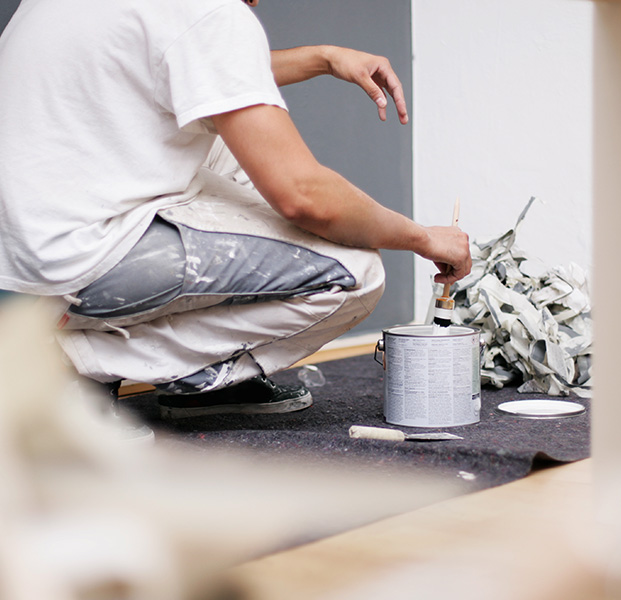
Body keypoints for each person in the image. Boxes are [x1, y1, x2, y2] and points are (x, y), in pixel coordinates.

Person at [0, 0, 470, 419]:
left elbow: (192, 59)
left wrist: (323, 58)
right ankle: (72, 366)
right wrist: (422, 238)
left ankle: (188, 384)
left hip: (19, 255)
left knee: (225, 142)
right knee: (357, 271)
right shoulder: (209, 10)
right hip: (65, 270)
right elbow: (305, 196)